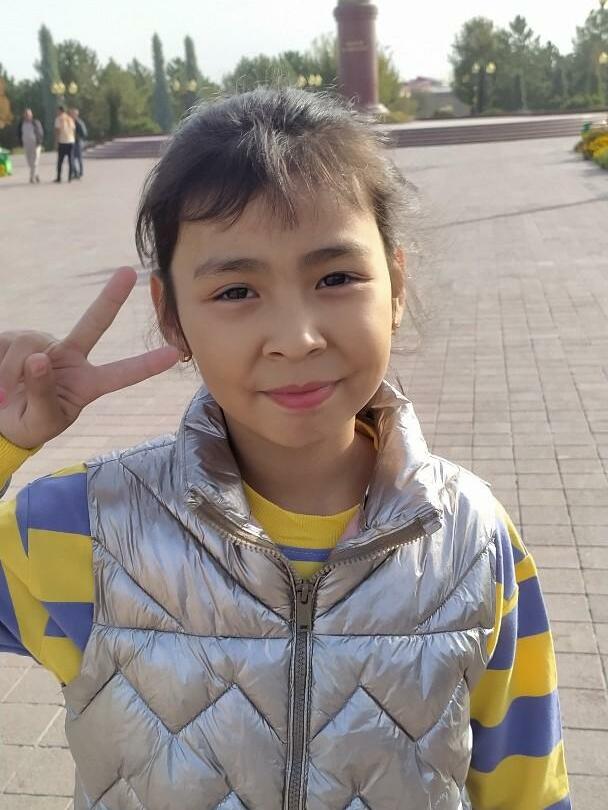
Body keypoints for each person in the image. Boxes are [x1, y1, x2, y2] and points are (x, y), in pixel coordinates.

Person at [0, 89, 570, 809]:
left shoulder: (475, 543)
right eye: (236, 291)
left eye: (336, 278)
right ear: (171, 317)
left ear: (395, 286)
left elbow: (526, 787)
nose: (297, 339)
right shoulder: (81, 527)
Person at [16, 108, 43, 183]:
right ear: (24, 115)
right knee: (29, 162)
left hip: (35, 144)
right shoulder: (22, 124)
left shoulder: (35, 123)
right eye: (26, 114)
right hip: (26, 144)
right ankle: (36, 174)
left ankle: (32, 177)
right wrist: (20, 143)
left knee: (34, 161)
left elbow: (40, 132)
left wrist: (39, 142)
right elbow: (19, 134)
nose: (27, 116)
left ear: (31, 115)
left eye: (28, 114)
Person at [54, 104, 75, 183]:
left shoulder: (58, 119)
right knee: (70, 160)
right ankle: (70, 177)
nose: (56, 112)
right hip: (71, 141)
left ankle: (59, 177)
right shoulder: (70, 118)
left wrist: (56, 142)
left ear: (60, 110)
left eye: (57, 110)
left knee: (60, 161)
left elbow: (57, 131)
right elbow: (73, 129)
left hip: (62, 141)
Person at [69, 107, 87, 179]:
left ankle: (80, 173)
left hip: (78, 142)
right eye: (71, 113)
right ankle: (75, 173)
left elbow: (84, 133)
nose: (71, 115)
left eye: (73, 114)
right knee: (71, 159)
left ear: (76, 114)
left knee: (79, 158)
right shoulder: (69, 122)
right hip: (71, 142)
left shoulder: (79, 122)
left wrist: (78, 137)